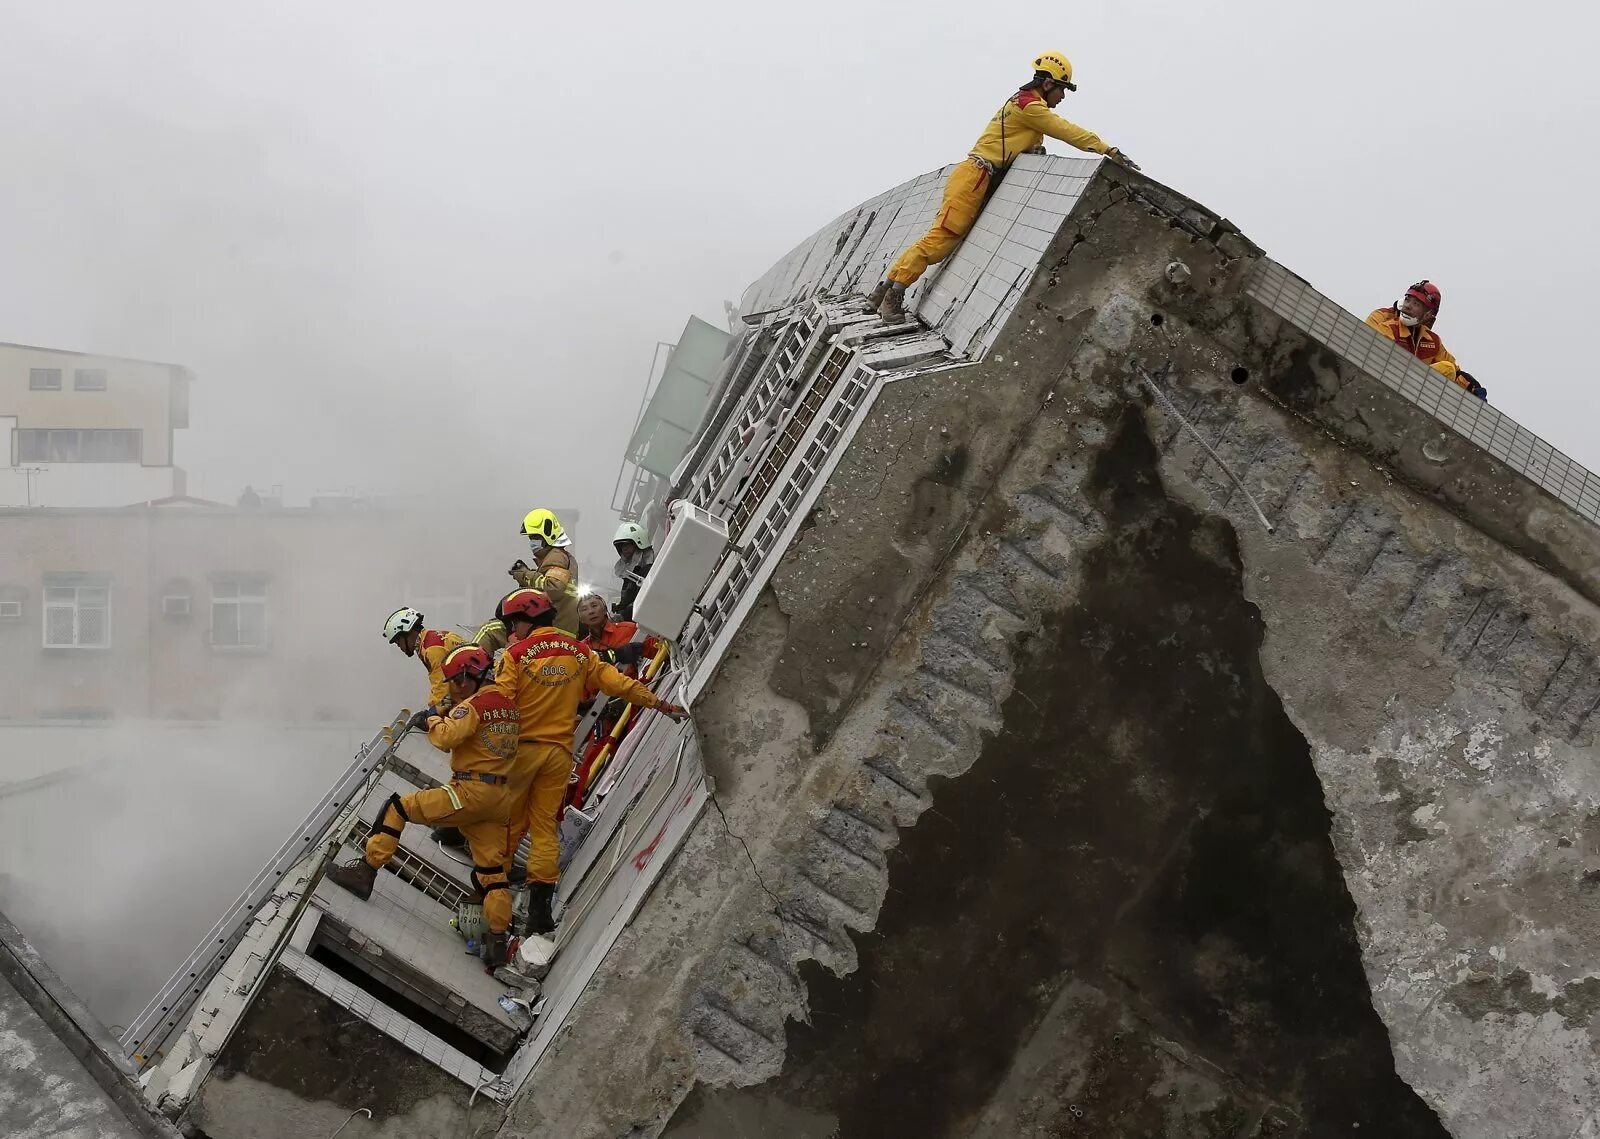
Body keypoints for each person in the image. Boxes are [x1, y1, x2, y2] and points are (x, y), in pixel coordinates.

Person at [866, 51, 1140, 323]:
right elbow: (1066, 130)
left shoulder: (1021, 103)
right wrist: (1107, 149)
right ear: (1048, 84)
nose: (1063, 97)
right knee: (938, 242)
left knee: (933, 237)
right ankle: (893, 298)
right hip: (974, 179)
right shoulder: (1031, 107)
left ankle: (880, 292)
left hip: (972, 176)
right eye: (1062, 89)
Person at [493, 588, 685, 935]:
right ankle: (539, 912)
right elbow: (619, 683)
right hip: (558, 756)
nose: (512, 632)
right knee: (544, 831)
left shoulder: (516, 654)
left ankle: (493, 904)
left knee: (507, 826)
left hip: (522, 753)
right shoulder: (581, 652)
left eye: (513, 624)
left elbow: (500, 706)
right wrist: (660, 705)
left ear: (524, 621)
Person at [326, 645, 521, 967]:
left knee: (398, 807)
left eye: (459, 680)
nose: (456, 687)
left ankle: (365, 870)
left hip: (470, 792)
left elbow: (446, 739)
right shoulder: (508, 707)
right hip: (499, 797)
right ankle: (497, 941)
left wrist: (432, 719)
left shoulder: (472, 707)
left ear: (473, 676)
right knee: (492, 872)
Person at [1365, 281, 1466, 387]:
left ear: (1428, 314)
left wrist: (1472, 387)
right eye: (1407, 300)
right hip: (1385, 381)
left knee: (1448, 368)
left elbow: (1455, 371)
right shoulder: (1387, 324)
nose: (1408, 306)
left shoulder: (1433, 341)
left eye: (1416, 304)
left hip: (1413, 390)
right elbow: (1369, 346)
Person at [510, 508, 581, 633]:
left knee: (493, 629)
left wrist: (525, 575)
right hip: (560, 630)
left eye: (535, 537)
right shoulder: (558, 556)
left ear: (549, 535)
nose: (532, 542)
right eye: (531, 538)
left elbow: (553, 588)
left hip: (556, 630)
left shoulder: (556, 555)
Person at [382, 606, 465, 712]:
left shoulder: (431, 649)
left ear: (406, 632)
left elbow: (441, 684)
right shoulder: (435, 638)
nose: (399, 647)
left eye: (398, 641)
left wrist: (432, 712)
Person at [611, 521, 655, 621]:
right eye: (621, 546)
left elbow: (643, 599)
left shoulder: (647, 571)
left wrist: (623, 615)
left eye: (627, 544)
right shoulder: (629, 573)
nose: (624, 548)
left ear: (639, 542)